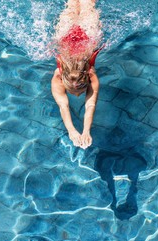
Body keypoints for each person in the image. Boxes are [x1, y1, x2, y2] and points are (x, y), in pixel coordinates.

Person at [51, 0, 103, 149]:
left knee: (80, 4)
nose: (79, 95)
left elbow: (90, 105)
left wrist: (84, 131)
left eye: (79, 91)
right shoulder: (58, 77)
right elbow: (64, 105)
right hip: (71, 34)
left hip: (85, 34)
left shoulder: (91, 75)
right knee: (80, 4)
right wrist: (73, 131)